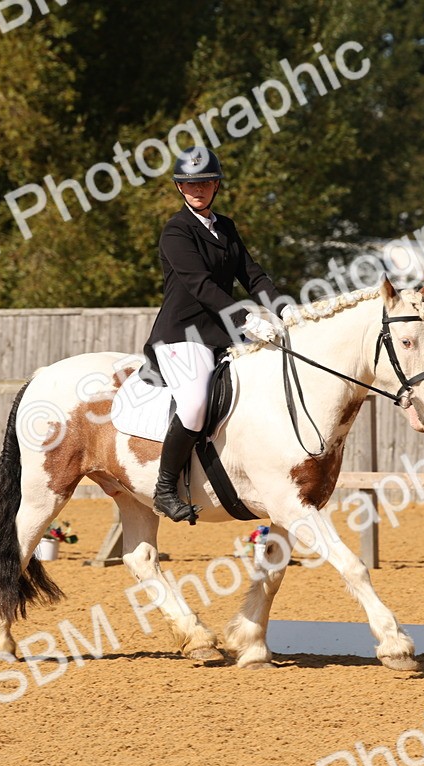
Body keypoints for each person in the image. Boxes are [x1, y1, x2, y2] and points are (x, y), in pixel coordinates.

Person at [142, 146, 290, 523]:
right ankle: (164, 489)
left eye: (206, 182)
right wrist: (245, 317)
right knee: (193, 404)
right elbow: (200, 285)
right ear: (179, 187)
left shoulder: (225, 227)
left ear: (216, 185)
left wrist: (283, 308)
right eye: (190, 183)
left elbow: (252, 274)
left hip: (223, 335)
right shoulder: (176, 231)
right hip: (183, 335)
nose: (198, 189)